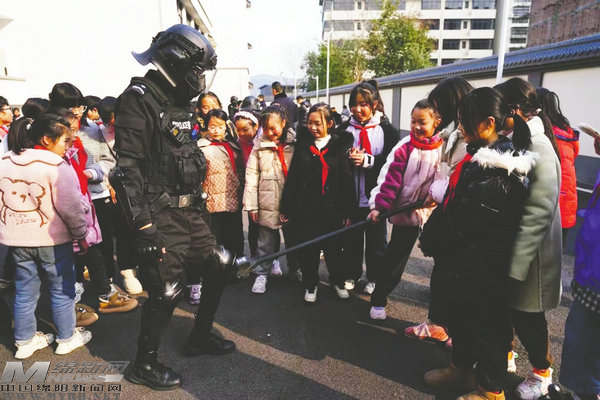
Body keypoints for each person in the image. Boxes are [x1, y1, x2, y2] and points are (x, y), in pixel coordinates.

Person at [114, 24, 236, 390]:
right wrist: (143, 227)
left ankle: (200, 336)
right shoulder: (139, 98)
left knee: (219, 263)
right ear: (175, 61)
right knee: (166, 290)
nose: (199, 77)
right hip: (159, 212)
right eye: (196, 69)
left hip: (189, 211)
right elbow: (126, 171)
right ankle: (144, 364)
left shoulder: (178, 99)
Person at [421, 87, 537, 400]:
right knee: (463, 321)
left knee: (488, 330)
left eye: (464, 121)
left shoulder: (501, 170)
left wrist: (437, 237)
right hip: (466, 264)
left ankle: (490, 389)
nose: (459, 127)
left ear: (488, 123)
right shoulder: (480, 158)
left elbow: (467, 221)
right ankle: (461, 370)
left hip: (485, 268)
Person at [0, 115, 92, 358]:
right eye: (65, 141)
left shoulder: (5, 161)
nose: (68, 146)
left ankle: (24, 341)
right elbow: (71, 207)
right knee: (62, 290)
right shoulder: (55, 165)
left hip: (17, 240)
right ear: (46, 139)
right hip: (53, 241)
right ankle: (66, 338)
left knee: (24, 291)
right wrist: (81, 234)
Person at [496, 77, 562, 400]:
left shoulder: (539, 147)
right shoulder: (520, 140)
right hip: (516, 250)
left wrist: (517, 264)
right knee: (511, 311)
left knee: (528, 316)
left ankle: (542, 374)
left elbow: (538, 211)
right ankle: (507, 357)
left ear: (514, 110)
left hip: (531, 256)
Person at [404, 76, 474, 346]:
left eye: (438, 106)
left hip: (460, 219)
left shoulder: (469, 138)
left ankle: (455, 332)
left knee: (456, 277)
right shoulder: (454, 133)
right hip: (448, 213)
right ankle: (439, 325)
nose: (436, 112)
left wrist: (439, 192)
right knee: (444, 272)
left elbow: (460, 180)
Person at [367, 99, 442, 320]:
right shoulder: (404, 147)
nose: (416, 126)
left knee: (442, 259)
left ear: (436, 122)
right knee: (395, 260)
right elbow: (390, 180)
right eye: (413, 121)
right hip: (406, 213)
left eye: (422, 122)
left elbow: (445, 177)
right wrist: (379, 207)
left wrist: (435, 195)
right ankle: (378, 299)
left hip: (433, 213)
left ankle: (439, 310)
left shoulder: (443, 148)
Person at [280, 103, 355, 303]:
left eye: (317, 123)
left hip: (333, 209)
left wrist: (348, 211)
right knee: (308, 250)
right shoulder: (303, 146)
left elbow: (346, 180)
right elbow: (294, 178)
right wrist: (286, 207)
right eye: (309, 123)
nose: (312, 127)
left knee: (334, 249)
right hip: (307, 209)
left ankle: (337, 281)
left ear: (329, 123)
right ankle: (310, 284)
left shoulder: (340, 146)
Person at [339, 80, 400, 295]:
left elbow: (394, 164)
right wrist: (347, 157)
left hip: (376, 198)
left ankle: (375, 277)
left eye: (363, 104)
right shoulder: (344, 130)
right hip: (352, 197)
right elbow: (335, 160)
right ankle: (352, 274)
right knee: (351, 239)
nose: (357, 109)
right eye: (354, 104)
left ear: (374, 104)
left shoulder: (387, 130)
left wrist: (369, 160)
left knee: (377, 242)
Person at [559, 135, 600, 400]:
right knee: (584, 338)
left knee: (585, 338)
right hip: (591, 268)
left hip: (595, 276)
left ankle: (587, 392)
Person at [243, 105, 297, 294]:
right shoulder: (258, 147)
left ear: (284, 123)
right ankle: (261, 273)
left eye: (273, 128)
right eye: (265, 128)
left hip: (290, 202)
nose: (270, 132)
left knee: (293, 240)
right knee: (265, 242)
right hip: (266, 201)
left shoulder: (295, 144)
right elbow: (251, 177)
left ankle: (295, 269)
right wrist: (252, 206)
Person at [97, 96, 143, 295]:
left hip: (142, 186)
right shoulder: (99, 134)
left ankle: (146, 268)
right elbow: (100, 161)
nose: (113, 123)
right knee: (123, 231)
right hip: (117, 189)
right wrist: (110, 182)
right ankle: (128, 272)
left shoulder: (137, 127)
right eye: (109, 120)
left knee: (144, 230)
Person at [197, 108, 244, 256]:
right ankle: (217, 265)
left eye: (220, 126)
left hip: (232, 198)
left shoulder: (233, 146)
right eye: (212, 126)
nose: (216, 130)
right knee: (216, 237)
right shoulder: (201, 148)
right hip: (212, 201)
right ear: (206, 126)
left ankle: (236, 262)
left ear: (226, 126)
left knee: (234, 236)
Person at [536, 87, 579, 247]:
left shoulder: (550, 136)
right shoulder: (565, 133)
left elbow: (559, 180)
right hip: (564, 207)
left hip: (553, 210)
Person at [234, 107, 261, 258]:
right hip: (250, 187)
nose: (241, 134)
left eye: (245, 129)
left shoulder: (263, 141)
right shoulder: (238, 144)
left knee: (270, 225)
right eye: (238, 130)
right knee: (253, 224)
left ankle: (273, 258)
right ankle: (255, 255)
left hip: (266, 187)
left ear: (256, 127)